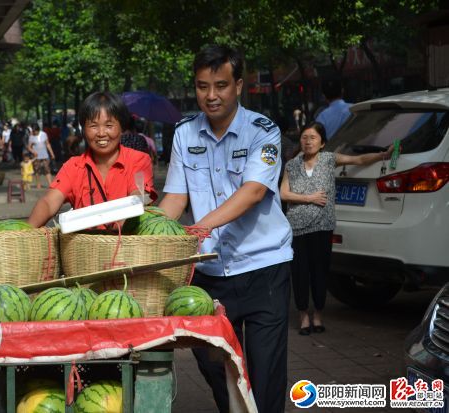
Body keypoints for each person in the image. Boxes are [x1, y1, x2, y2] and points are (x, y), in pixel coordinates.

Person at [158, 45, 293, 413]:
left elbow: (252, 193)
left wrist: (199, 226)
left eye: (220, 85)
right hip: (210, 273)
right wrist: (150, 230)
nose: (211, 96)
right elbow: (174, 198)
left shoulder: (263, 132)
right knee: (212, 364)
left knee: (265, 374)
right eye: (203, 86)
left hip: (264, 268)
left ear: (238, 85)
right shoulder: (184, 134)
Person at [280, 121, 392, 336]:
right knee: (300, 273)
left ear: (322, 143)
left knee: (320, 272)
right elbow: (283, 193)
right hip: (297, 227)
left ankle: (318, 314)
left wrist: (382, 156)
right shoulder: (292, 165)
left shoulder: (330, 159)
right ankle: (303, 315)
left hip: (323, 226)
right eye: (304, 137)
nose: (308, 141)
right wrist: (309, 198)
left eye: (312, 138)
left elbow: (358, 160)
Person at [27, 91, 157, 228]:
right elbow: (48, 202)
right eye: (93, 126)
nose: (101, 133)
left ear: (121, 127)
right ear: (83, 130)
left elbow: (139, 195)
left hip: (127, 245)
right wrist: (26, 232)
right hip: (86, 248)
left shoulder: (138, 160)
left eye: (109, 125)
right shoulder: (73, 166)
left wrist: (126, 216)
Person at [28, 123, 55, 189]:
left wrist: (52, 153)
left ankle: (50, 184)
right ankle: (38, 184)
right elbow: (29, 147)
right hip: (36, 157)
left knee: (47, 170)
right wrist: (33, 152)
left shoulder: (44, 134)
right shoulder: (31, 137)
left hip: (44, 156)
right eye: (33, 131)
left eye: (35, 131)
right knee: (37, 171)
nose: (34, 132)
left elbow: (47, 144)